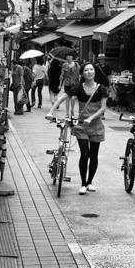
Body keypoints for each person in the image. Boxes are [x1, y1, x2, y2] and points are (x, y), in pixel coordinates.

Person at [46, 63, 108, 195]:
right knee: (85, 154)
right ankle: (83, 184)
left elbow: (103, 108)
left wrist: (91, 118)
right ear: (82, 73)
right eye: (86, 70)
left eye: (91, 69)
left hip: (96, 126)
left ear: (94, 72)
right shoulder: (78, 88)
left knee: (94, 155)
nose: (89, 72)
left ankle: (90, 181)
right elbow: (62, 98)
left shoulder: (101, 89)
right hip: (81, 126)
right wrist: (50, 111)